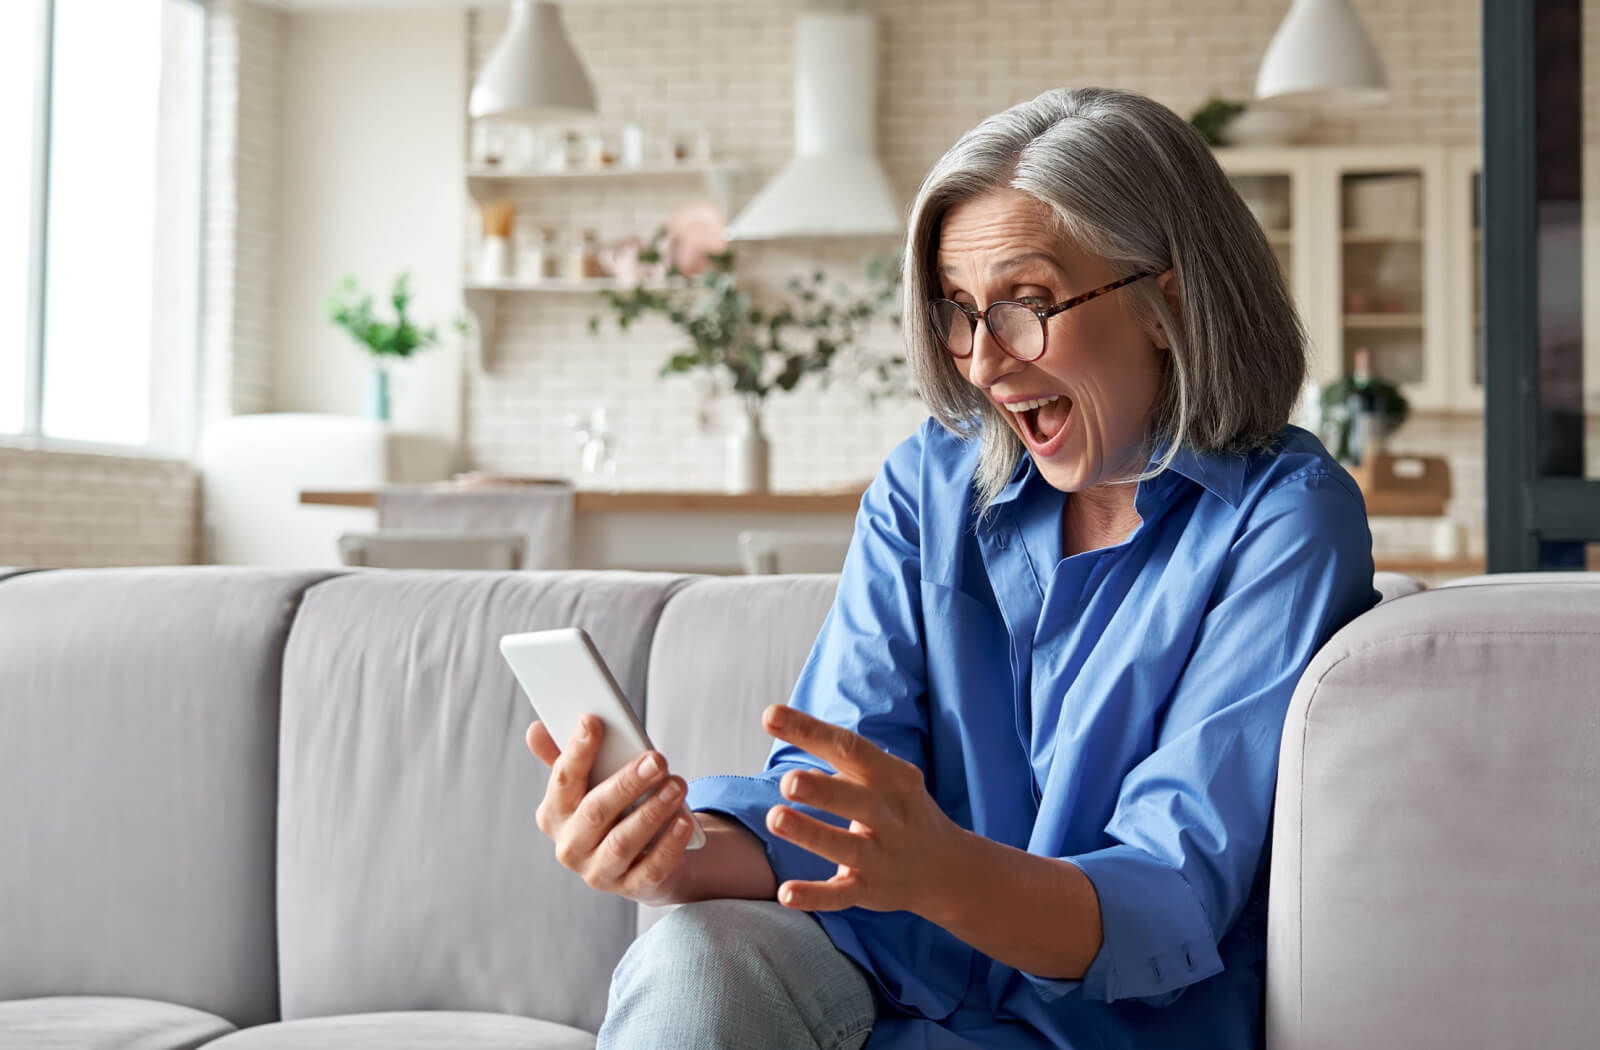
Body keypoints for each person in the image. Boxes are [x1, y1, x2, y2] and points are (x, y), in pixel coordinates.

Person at [525, 86, 1378, 1050]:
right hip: (887, 990)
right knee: (693, 955)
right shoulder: (925, 485)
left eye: (1026, 305)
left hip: (1099, 1030)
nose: (980, 363)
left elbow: (1171, 889)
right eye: (959, 313)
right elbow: (834, 788)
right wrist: (672, 854)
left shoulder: (1286, 519)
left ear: (1163, 300)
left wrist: (939, 870)